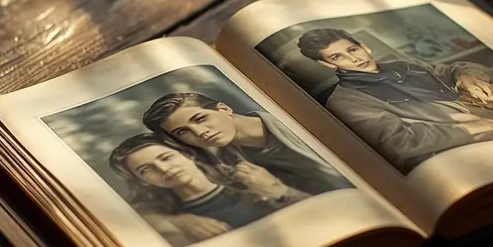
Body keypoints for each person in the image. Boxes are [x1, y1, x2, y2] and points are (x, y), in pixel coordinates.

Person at [295, 28, 493, 172]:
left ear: (364, 45)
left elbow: (453, 69)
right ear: (328, 66)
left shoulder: (403, 64)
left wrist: (467, 77)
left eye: (352, 49)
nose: (353, 59)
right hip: (470, 143)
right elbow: (399, 143)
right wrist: (470, 129)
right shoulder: (346, 102)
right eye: (337, 57)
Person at [108, 134, 306, 247]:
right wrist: (176, 223)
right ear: (142, 181)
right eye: (146, 169)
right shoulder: (169, 219)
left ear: (188, 154)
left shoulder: (252, 178)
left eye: (166, 157)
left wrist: (279, 190)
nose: (164, 169)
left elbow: (322, 210)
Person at [142, 92, 353, 196]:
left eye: (200, 119)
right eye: (182, 132)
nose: (200, 133)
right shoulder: (230, 166)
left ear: (224, 109)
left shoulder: (295, 118)